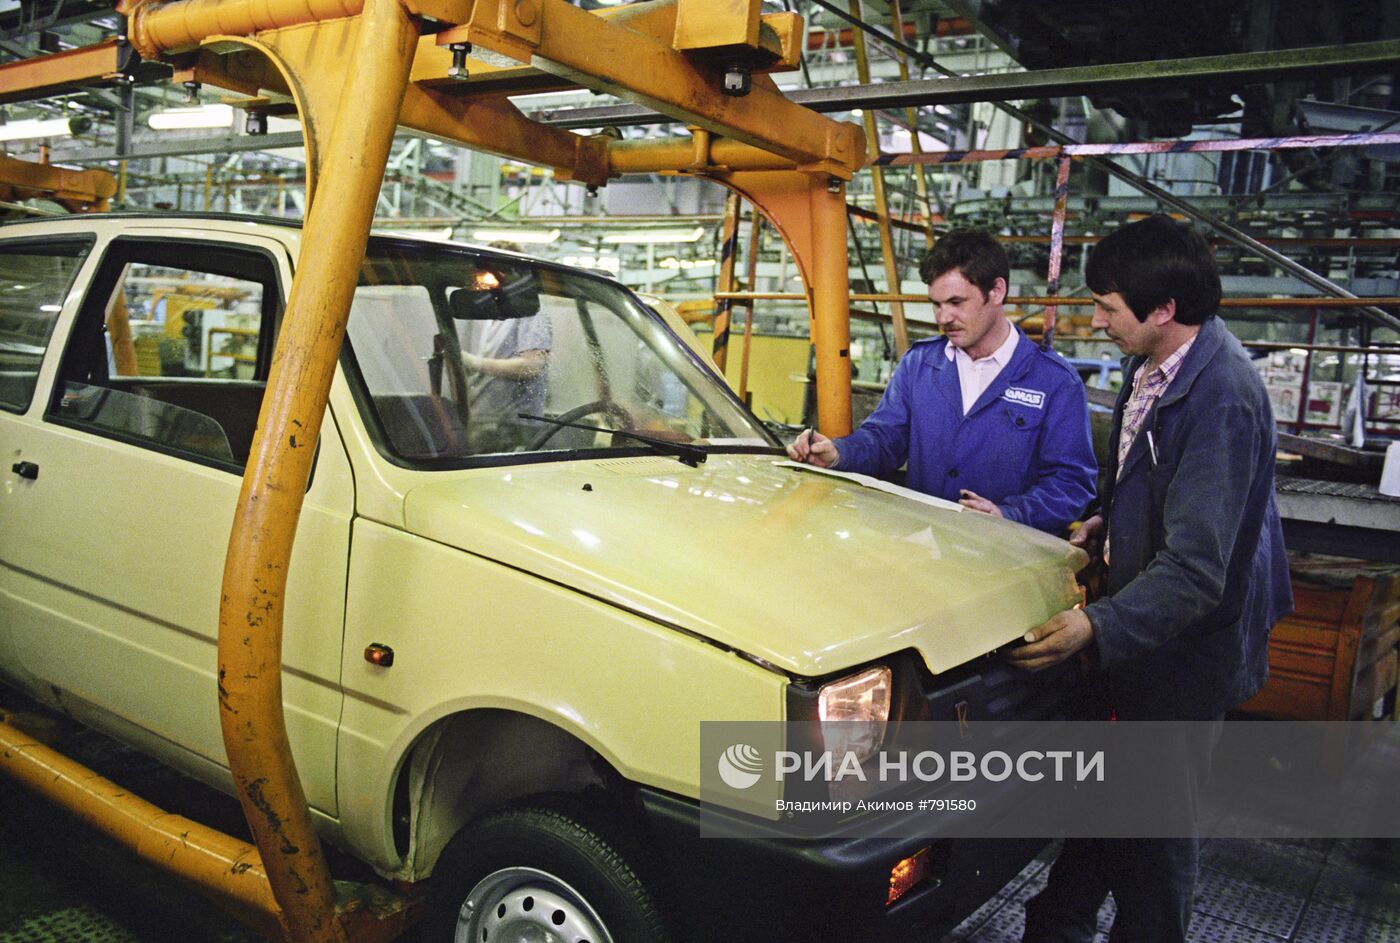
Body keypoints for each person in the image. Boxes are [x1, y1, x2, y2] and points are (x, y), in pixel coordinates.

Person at [1007, 215, 1293, 942]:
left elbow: (1198, 569)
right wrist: (1114, 516)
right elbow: (1149, 472)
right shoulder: (1153, 363)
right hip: (1147, 636)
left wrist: (1094, 625)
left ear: (1163, 310)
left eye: (1107, 307)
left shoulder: (1221, 394)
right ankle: (1058, 924)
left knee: (1156, 838)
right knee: (1111, 802)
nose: (1095, 319)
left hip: (1184, 650)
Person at [787, 228, 1096, 534]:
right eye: (937, 304)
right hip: (925, 554)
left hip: (1007, 558)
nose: (943, 317)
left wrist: (1009, 514)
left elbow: (1071, 483)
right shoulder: (920, 364)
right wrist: (839, 453)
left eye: (956, 302)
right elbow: (885, 439)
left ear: (997, 291)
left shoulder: (1055, 382)